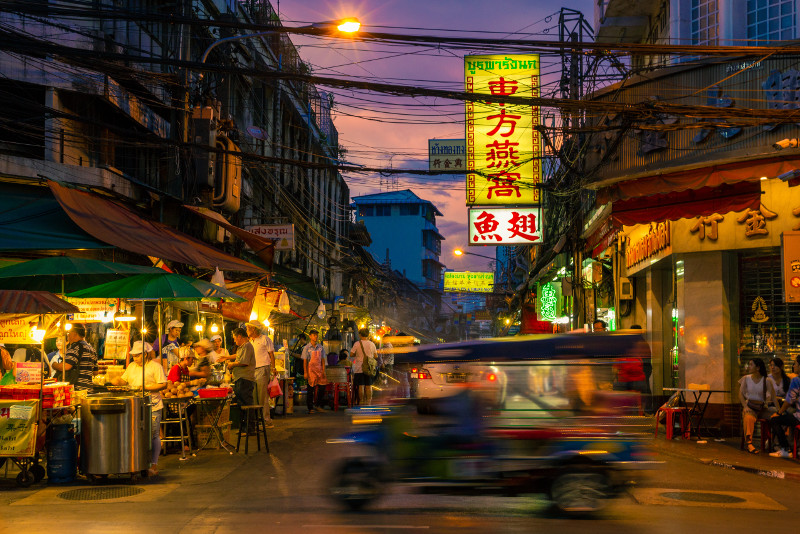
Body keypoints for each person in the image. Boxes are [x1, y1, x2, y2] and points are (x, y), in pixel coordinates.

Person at [113, 340, 167, 476]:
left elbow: (163, 385)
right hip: (135, 406)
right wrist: (115, 381)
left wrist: (145, 387)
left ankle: (153, 464)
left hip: (153, 405)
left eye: (137, 355)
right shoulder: (131, 366)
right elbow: (124, 381)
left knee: (153, 434)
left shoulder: (155, 366)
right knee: (136, 435)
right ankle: (138, 463)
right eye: (134, 356)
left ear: (145, 354)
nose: (135, 358)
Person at [739, 358, 776, 454]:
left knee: (780, 417)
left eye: (751, 364)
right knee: (748, 418)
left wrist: (780, 411)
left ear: (758, 367)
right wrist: (745, 407)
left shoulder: (767, 380)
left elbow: (774, 397)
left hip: (763, 408)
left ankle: (775, 442)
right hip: (750, 407)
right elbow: (740, 394)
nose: (749, 366)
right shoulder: (746, 378)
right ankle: (749, 444)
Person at [769, 355, 800, 458]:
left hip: (798, 417)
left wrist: (779, 412)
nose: (793, 366)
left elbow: (789, 400)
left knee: (774, 420)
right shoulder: (769, 378)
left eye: (795, 363)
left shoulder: (796, 380)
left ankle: (786, 449)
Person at [247, 320, 276, 428]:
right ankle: (257, 420)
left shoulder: (265, 339)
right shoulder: (250, 341)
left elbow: (271, 354)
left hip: (263, 369)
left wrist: (273, 368)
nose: (247, 331)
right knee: (254, 396)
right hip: (253, 370)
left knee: (263, 396)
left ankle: (267, 421)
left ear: (253, 329)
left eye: (248, 328)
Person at [53, 324, 98, 392]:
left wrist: (55, 365)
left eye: (69, 333)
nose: (68, 336)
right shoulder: (92, 349)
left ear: (74, 334)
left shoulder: (75, 347)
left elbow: (66, 366)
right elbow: (95, 372)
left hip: (76, 389)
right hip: (88, 389)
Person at [228, 328, 256, 407]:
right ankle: (245, 419)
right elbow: (239, 358)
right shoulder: (242, 347)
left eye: (234, 338)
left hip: (245, 379)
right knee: (241, 401)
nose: (234, 341)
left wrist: (232, 364)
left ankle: (250, 419)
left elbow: (244, 362)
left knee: (246, 401)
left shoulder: (247, 346)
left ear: (239, 336)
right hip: (240, 378)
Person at [301, 330, 327, 413]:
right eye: (314, 335)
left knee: (322, 388)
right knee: (310, 390)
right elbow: (305, 361)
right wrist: (305, 372)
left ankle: (318, 405)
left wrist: (323, 371)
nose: (316, 337)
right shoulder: (306, 348)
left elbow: (323, 360)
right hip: (311, 371)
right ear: (310, 336)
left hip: (319, 370)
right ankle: (310, 408)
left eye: (317, 335)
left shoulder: (320, 347)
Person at [350, 328, 378, 406]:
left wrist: (358, 355)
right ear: (367, 335)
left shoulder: (357, 344)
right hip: (369, 368)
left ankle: (361, 402)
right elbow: (376, 356)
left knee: (361, 386)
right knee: (369, 385)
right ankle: (369, 402)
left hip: (359, 367)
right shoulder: (372, 344)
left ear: (360, 335)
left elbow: (351, 354)